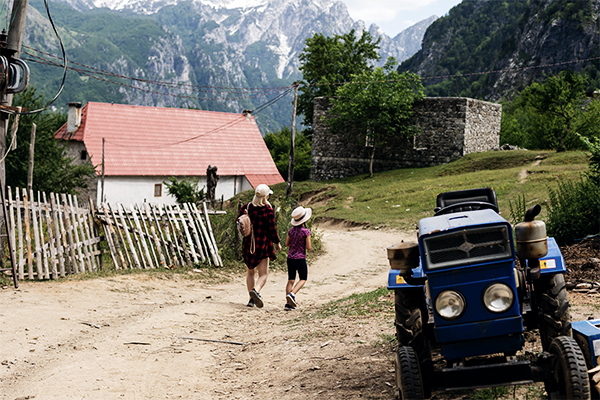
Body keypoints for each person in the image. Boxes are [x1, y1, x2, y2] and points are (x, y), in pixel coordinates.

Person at [238, 184, 282, 308]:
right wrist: (277, 243)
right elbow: (272, 229)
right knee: (263, 274)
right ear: (266, 196)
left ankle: (251, 300)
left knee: (250, 272)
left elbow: (240, 223)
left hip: (248, 244)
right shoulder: (268, 210)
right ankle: (256, 291)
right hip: (263, 244)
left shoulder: (246, 208)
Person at [284, 206, 312, 311]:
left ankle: (288, 304)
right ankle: (292, 294)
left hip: (290, 258)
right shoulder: (306, 232)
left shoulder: (291, 230)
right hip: (300, 258)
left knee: (290, 280)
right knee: (303, 278)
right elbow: (308, 247)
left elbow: (287, 244)